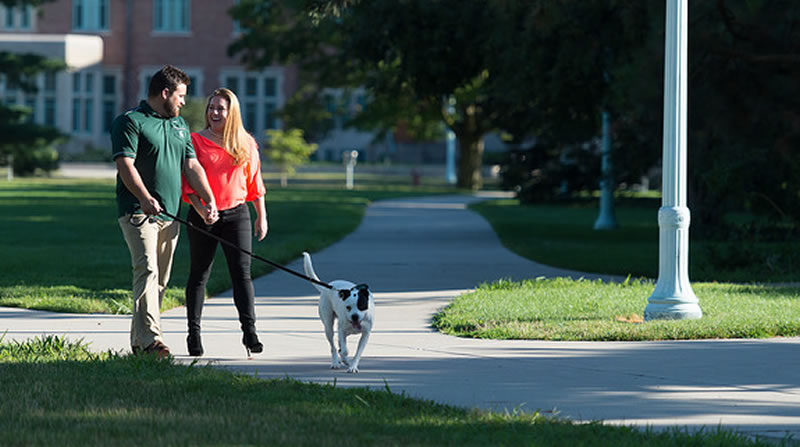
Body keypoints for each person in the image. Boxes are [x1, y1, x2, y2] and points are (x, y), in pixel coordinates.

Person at [112, 65, 218, 358]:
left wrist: (208, 198)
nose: (184, 102)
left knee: (159, 279)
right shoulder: (130, 121)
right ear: (165, 93)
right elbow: (125, 165)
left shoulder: (180, 125)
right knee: (146, 269)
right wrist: (144, 197)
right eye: (181, 96)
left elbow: (192, 165)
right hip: (138, 211)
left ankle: (139, 342)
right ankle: (152, 342)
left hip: (171, 214)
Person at [182, 87, 268, 357]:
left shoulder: (246, 143)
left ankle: (250, 332)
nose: (214, 113)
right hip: (202, 214)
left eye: (220, 108)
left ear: (232, 113)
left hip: (237, 215)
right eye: (211, 107)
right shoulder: (195, 141)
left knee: (242, 275)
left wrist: (261, 217)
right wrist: (201, 208)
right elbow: (187, 183)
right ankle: (193, 335)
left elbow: (255, 184)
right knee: (199, 273)